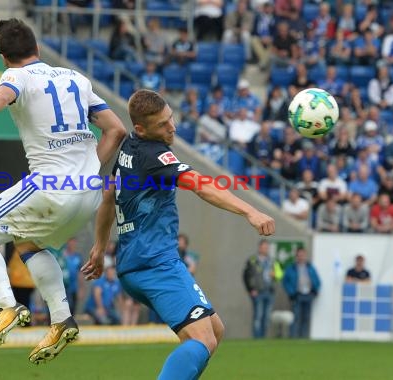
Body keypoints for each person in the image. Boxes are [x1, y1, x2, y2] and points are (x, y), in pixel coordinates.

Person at [0, 18, 126, 363]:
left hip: (50, 185)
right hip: (87, 192)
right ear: (36, 48)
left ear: (4, 58)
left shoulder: (16, 77)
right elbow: (117, 130)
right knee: (28, 241)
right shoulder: (76, 79)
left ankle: (6, 307)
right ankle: (62, 318)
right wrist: (87, 170)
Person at [81, 90, 275, 379]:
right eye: (162, 125)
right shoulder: (154, 155)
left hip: (136, 263)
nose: (171, 127)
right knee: (202, 339)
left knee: (214, 330)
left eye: (170, 118)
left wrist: (99, 246)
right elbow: (200, 185)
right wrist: (250, 211)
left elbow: (109, 196)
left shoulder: (128, 147)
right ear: (141, 129)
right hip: (154, 263)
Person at [243, 239, 283, 339]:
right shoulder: (252, 260)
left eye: (267, 247)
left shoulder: (272, 261)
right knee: (258, 316)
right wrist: (251, 289)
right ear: (259, 247)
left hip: (269, 292)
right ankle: (257, 337)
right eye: (263, 247)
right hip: (258, 292)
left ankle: (263, 338)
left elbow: (280, 274)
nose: (265, 249)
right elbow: (246, 276)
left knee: (266, 317)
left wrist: (275, 275)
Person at [282, 247, 321, 339]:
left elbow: (317, 280)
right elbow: (285, 282)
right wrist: (291, 293)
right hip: (297, 295)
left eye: (303, 255)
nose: (301, 257)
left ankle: (303, 338)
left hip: (308, 295)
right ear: (296, 256)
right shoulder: (291, 268)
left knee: (306, 318)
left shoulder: (310, 267)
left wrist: (315, 290)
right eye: (299, 255)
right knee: (295, 318)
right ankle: (293, 337)